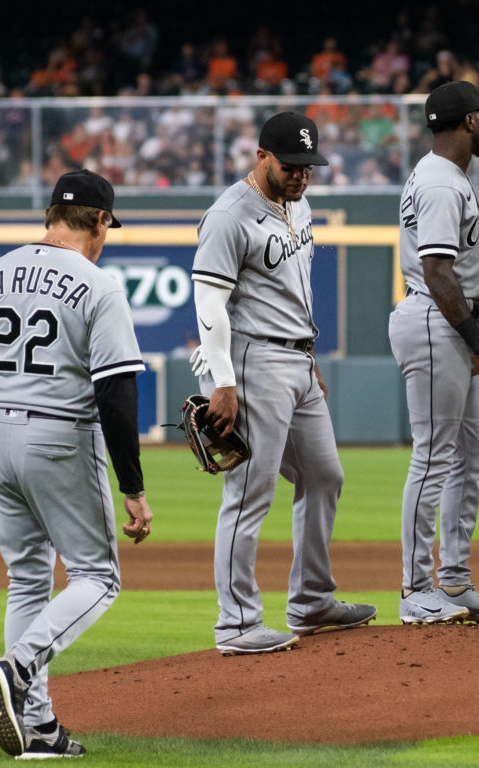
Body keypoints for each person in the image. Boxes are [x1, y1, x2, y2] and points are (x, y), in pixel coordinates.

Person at [0, 169, 153, 757]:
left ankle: (37, 728)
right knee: (98, 577)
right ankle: (18, 668)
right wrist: (132, 486)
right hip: (59, 438)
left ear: (51, 217)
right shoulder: (98, 285)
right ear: (101, 220)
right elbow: (115, 393)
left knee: (28, 579)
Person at [191, 112, 376, 655]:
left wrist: (308, 350)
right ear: (261, 157)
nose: (299, 175)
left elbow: (292, 288)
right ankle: (236, 624)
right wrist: (223, 380)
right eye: (290, 165)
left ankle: (312, 600)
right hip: (252, 363)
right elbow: (209, 301)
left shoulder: (300, 203)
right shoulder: (229, 215)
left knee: (324, 476)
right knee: (249, 492)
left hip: (296, 358)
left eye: (307, 166)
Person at [389, 81, 479, 625]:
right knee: (435, 457)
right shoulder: (441, 182)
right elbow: (438, 273)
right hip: (438, 320)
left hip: (445, 322)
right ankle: (416, 588)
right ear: (466, 122)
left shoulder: (439, 173)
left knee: (469, 457)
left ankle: (454, 581)